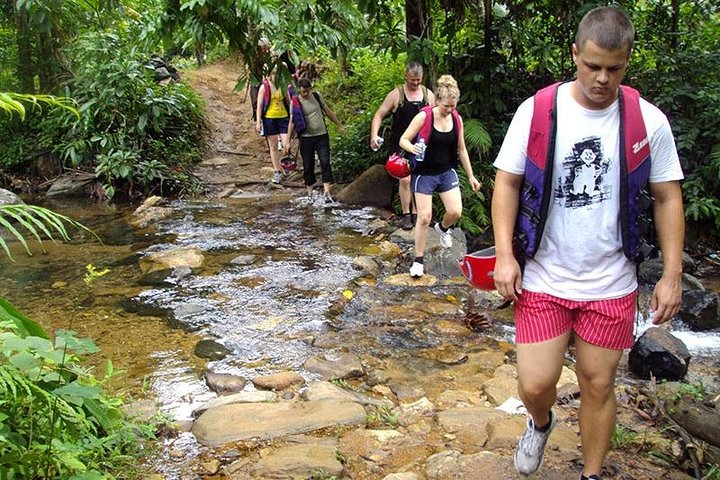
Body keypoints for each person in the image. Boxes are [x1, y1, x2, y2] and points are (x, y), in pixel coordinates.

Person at [491, 7, 684, 480]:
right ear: (575, 54)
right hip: (544, 274)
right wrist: (503, 254)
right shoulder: (538, 111)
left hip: (611, 281)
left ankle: (591, 474)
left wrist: (672, 275)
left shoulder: (647, 121)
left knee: (599, 384)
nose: (601, 78)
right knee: (536, 384)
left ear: (627, 61)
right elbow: (507, 183)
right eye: (592, 65)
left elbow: (667, 196)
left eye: (613, 69)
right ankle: (540, 421)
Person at [399, 75, 481, 278]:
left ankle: (443, 228)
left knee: (455, 212)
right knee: (424, 217)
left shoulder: (457, 119)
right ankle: (418, 261)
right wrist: (413, 149)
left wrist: (471, 176)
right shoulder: (424, 117)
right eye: (446, 106)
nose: (450, 110)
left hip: (446, 172)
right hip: (424, 173)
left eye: (453, 106)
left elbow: (461, 149)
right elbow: (403, 140)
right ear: (437, 101)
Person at [370, 62, 436, 230]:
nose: (415, 83)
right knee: (405, 179)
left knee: (420, 178)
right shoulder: (396, 95)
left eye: (418, 80)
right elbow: (378, 115)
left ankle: (417, 213)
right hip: (400, 144)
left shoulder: (428, 95)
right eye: (412, 80)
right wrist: (374, 135)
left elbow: (437, 117)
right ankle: (407, 215)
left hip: (422, 144)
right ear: (405, 76)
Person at [287, 78, 346, 204]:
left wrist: (339, 124)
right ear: (299, 90)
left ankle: (327, 193)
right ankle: (310, 193)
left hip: (321, 135)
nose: (306, 94)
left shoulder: (317, 96)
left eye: (308, 91)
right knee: (308, 165)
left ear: (311, 89)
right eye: (303, 92)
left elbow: (327, 111)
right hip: (306, 138)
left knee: (325, 162)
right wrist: (287, 141)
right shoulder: (295, 102)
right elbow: (292, 122)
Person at [256, 68, 290, 184]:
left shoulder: (282, 85)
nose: (275, 76)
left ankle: (284, 165)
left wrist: (293, 115)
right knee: (273, 146)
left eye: (277, 73)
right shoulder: (264, 87)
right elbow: (259, 105)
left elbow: (289, 101)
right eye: (274, 73)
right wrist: (258, 121)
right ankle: (277, 171)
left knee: (286, 145)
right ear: (269, 75)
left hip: (283, 117)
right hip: (269, 119)